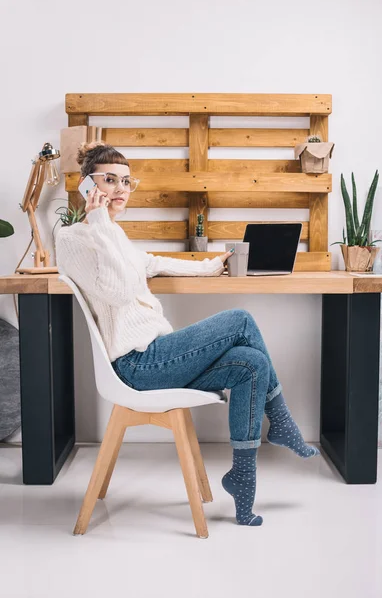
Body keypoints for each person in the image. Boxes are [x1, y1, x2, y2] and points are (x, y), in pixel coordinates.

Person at [56, 141, 320, 528]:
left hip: (157, 357)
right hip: (136, 365)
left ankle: (241, 484)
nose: (120, 188)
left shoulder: (113, 235)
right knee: (241, 320)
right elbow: (121, 289)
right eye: (109, 180)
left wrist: (210, 266)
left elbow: (151, 263)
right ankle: (281, 421)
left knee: (252, 364)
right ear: (87, 186)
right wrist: (98, 224)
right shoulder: (75, 238)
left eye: (127, 181)